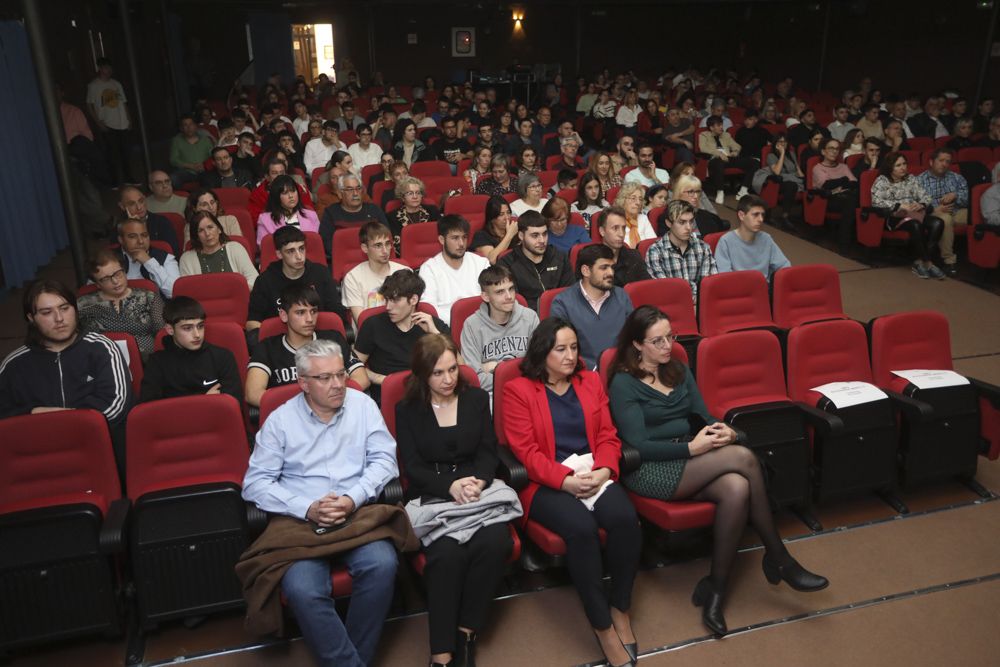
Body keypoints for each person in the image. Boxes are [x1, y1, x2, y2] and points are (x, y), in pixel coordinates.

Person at [607, 306, 827, 637]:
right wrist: (691, 449)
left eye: (671, 337)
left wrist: (728, 432)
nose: (668, 345)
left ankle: (716, 588)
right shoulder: (624, 382)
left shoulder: (677, 369)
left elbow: (703, 416)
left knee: (738, 487)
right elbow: (637, 444)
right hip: (651, 467)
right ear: (637, 344)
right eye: (658, 341)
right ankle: (779, 558)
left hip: (692, 454)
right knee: (744, 460)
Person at [241, 339, 402, 667]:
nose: (338, 384)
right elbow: (255, 484)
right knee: (302, 589)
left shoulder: (362, 406)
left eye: (341, 374)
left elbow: (386, 461)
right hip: (301, 520)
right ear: (303, 383)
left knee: (382, 565)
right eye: (325, 378)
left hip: (355, 512)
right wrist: (307, 507)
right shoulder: (281, 421)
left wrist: (352, 497)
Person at [502, 318, 641, 667]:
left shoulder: (590, 381)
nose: (569, 356)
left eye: (574, 348)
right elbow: (526, 453)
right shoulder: (518, 390)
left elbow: (609, 434)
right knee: (581, 530)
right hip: (548, 481)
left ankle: (620, 606)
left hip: (593, 472)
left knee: (625, 519)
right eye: (560, 349)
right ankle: (602, 624)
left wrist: (605, 469)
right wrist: (565, 480)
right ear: (542, 352)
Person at [395, 334, 520, 667]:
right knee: (447, 557)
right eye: (438, 373)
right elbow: (413, 466)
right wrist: (450, 486)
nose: (448, 379)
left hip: (477, 489)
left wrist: (478, 481)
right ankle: (441, 652)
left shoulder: (477, 399)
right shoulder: (407, 409)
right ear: (422, 375)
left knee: (496, 544)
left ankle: (466, 631)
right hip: (434, 493)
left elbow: (487, 450)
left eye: (452, 369)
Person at [0, 280, 132, 475]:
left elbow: (115, 407)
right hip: (39, 463)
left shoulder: (102, 348)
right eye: (46, 313)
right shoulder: (13, 364)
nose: (59, 318)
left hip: (101, 454)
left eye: (65, 308)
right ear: (31, 318)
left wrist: (52, 417)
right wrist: (33, 412)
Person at [247, 285, 367, 406]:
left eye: (313, 311)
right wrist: (303, 409)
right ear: (284, 315)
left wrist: (324, 404)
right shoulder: (267, 347)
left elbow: (361, 379)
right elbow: (253, 394)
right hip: (289, 420)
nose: (309, 319)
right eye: (300, 312)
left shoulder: (334, 339)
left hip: (335, 411)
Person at [353, 269, 449, 400]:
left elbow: (460, 366)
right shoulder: (373, 325)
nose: (388, 307)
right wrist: (381, 379)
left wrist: (435, 333)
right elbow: (354, 367)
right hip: (389, 396)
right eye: (387, 300)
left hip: (428, 395)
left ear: (414, 299)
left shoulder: (432, 325)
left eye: (395, 300)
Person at [140, 296, 242, 403]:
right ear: (170, 329)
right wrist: (204, 400)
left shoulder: (223, 357)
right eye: (187, 328)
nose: (197, 335)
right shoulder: (157, 363)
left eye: (200, 326)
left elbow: (233, 406)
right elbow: (150, 409)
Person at [551, 244, 634, 369]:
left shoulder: (622, 296)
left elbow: (633, 337)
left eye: (612, 267)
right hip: (583, 374)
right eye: (604, 268)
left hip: (622, 371)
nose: (610, 273)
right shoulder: (562, 303)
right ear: (586, 271)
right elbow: (562, 349)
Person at [247, 226, 344, 331]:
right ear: (279, 254)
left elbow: (337, 314)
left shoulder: (321, 273)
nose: (299, 256)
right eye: (290, 251)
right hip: (280, 339)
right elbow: (252, 322)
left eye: (301, 249)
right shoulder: (265, 280)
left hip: (317, 335)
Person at [461, 265, 539, 393]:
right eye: (500, 292)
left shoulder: (530, 317)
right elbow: (474, 379)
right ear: (486, 296)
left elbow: (539, 367)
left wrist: (496, 369)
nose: (509, 296)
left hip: (528, 390)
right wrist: (515, 377)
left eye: (511, 289)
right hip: (492, 396)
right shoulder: (471, 325)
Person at [77, 247, 164, 357]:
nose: (115, 281)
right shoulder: (83, 305)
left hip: (149, 362)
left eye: (118, 273)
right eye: (106, 278)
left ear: (124, 271)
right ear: (97, 284)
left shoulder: (148, 297)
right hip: (102, 362)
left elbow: (162, 333)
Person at [871, 152, 945, 280]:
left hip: (914, 213)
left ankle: (919, 261)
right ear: (890, 167)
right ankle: (928, 263)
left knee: (938, 222)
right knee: (914, 225)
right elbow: (876, 202)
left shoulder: (911, 178)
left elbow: (926, 197)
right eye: (898, 165)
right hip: (895, 217)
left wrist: (921, 204)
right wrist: (900, 205)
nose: (903, 167)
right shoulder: (882, 180)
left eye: (904, 164)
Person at [419, 216, 491, 326]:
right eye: (455, 238)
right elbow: (429, 308)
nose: (461, 243)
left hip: (483, 324)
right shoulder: (429, 269)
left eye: (464, 237)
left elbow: (493, 297)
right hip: (448, 328)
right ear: (442, 240)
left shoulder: (481, 263)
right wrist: (461, 321)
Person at [498, 211, 575, 311]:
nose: (542, 240)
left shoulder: (559, 257)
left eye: (544, 234)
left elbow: (571, 292)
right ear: (521, 236)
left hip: (561, 314)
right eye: (535, 235)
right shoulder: (507, 264)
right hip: (528, 320)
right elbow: (514, 304)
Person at [646, 200, 718, 303]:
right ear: (668, 223)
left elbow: (709, 285)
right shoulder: (655, 252)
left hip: (701, 305)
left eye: (691, 221)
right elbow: (664, 290)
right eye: (682, 222)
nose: (689, 227)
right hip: (672, 307)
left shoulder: (703, 248)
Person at [915, 148, 969, 278]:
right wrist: (934, 208)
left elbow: (967, 199)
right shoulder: (919, 180)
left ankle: (983, 258)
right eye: (941, 160)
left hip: (956, 210)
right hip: (935, 213)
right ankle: (949, 261)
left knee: (976, 217)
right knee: (945, 219)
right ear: (931, 162)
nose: (944, 164)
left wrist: (955, 195)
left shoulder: (956, 178)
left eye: (947, 161)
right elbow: (916, 203)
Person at [342, 221, 409, 324]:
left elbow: (412, 311)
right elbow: (361, 321)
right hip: (371, 334)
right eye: (378, 246)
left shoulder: (405, 271)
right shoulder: (353, 277)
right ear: (365, 248)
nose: (385, 251)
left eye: (387, 244)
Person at [715, 195, 790, 280]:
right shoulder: (726, 241)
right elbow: (724, 277)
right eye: (755, 215)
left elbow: (784, 266)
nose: (761, 219)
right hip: (738, 289)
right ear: (741, 215)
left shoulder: (766, 239)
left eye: (762, 215)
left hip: (762, 289)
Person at [86, 57, 134, 185]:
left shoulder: (116, 84)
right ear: (100, 69)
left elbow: (124, 102)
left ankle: (128, 178)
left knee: (125, 152)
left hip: (121, 121)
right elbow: (90, 106)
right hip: (107, 122)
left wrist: (128, 119)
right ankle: (114, 181)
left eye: (110, 68)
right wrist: (98, 123)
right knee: (111, 154)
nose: (108, 70)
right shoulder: (93, 86)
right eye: (106, 67)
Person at [179, 211, 258, 287]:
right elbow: (187, 292)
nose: (207, 233)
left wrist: (238, 290)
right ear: (197, 237)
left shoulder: (235, 248)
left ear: (219, 229)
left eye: (210, 227)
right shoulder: (186, 259)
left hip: (238, 298)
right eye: (201, 230)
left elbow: (254, 279)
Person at [812, 138, 859, 253]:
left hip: (845, 197)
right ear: (823, 151)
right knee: (851, 202)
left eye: (837, 149)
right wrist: (844, 179)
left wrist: (839, 185)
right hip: (827, 200)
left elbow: (854, 183)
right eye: (831, 148)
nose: (834, 151)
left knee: (854, 200)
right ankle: (844, 243)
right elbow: (827, 185)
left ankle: (851, 240)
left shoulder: (843, 167)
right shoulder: (818, 168)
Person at [116, 218, 180, 299]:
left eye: (144, 235)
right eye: (132, 237)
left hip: (158, 309)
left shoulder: (166, 258)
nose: (140, 241)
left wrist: (149, 262)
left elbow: (174, 293)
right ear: (121, 240)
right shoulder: (109, 259)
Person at [698, 116, 756, 205]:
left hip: (728, 158)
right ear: (711, 128)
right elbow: (703, 148)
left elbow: (737, 146)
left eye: (721, 125)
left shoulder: (726, 135)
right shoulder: (703, 135)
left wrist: (735, 152)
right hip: (714, 159)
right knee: (719, 162)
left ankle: (743, 190)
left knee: (752, 162)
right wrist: (719, 154)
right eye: (718, 125)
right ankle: (720, 191)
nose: (721, 127)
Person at [256, 174, 322, 245]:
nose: (291, 196)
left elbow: (318, 246)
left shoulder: (311, 215)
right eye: (285, 193)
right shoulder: (265, 220)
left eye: (293, 191)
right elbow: (264, 248)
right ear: (276, 197)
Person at [117, 185, 181, 256]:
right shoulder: (118, 228)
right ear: (122, 206)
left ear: (145, 199)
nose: (139, 207)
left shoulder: (162, 222)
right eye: (132, 204)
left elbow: (173, 253)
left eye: (141, 201)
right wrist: (133, 226)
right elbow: (119, 256)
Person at [596, 207, 651, 287]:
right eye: (615, 228)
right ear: (602, 231)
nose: (621, 234)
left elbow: (647, 287)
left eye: (623, 228)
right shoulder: (592, 259)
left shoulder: (634, 256)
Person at [390, 176, 440, 254]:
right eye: (410, 193)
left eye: (418, 193)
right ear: (402, 197)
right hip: (408, 256)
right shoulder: (392, 217)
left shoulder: (432, 211)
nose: (415, 196)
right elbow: (396, 245)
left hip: (433, 254)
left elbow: (441, 234)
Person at [169, 114, 215, 189]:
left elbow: (213, 156)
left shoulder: (205, 140)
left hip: (204, 170)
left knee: (211, 178)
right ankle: (183, 198)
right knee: (173, 178)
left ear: (196, 126)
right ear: (181, 128)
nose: (189, 127)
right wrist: (190, 166)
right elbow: (173, 160)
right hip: (186, 171)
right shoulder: (176, 140)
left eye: (191, 124)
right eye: (185, 125)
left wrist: (205, 165)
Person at [471, 196, 519, 265]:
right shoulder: (481, 236)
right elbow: (492, 260)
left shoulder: (516, 229)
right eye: (501, 214)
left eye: (508, 212)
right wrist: (509, 235)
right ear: (492, 218)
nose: (507, 217)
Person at [612, 183, 656, 249]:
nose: (638, 203)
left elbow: (653, 244)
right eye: (633, 198)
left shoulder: (643, 218)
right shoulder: (615, 220)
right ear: (623, 200)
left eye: (640, 199)